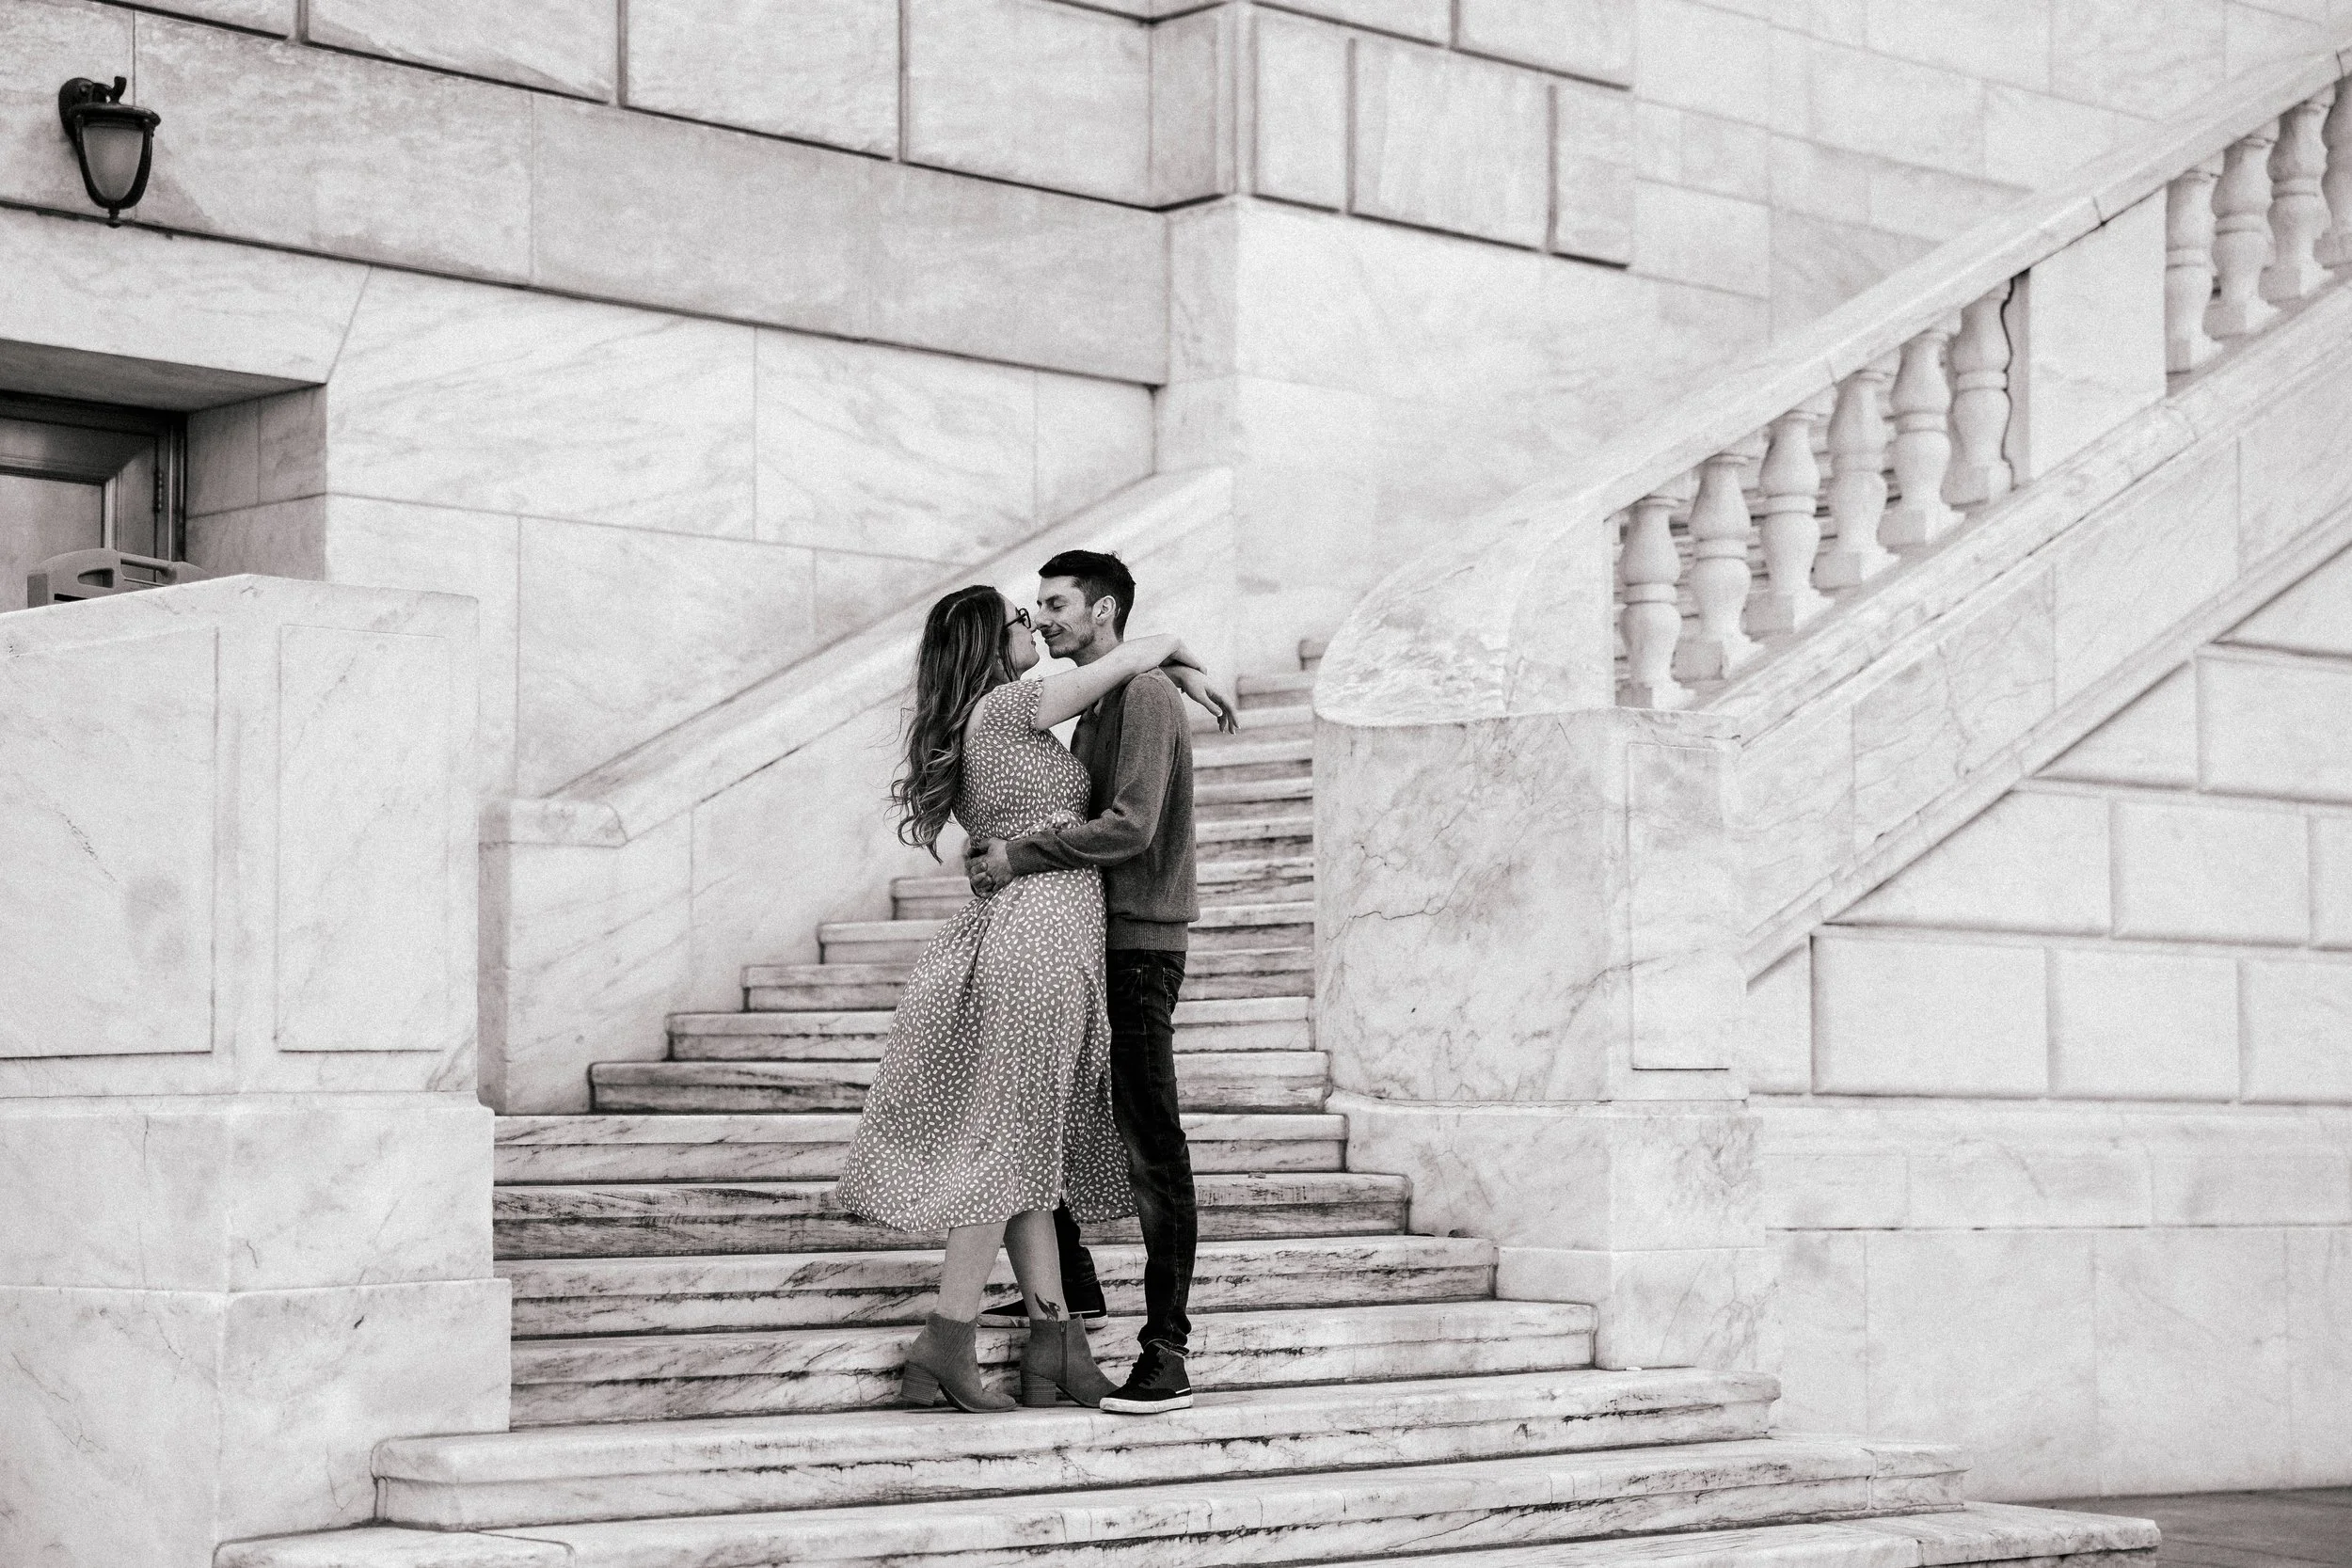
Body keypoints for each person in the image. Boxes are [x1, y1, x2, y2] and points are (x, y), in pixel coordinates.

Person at [834, 582, 1232, 1413]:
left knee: (1028, 1148)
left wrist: (1171, 668)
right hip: (1043, 933)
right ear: (991, 643)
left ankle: (1058, 1342)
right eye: (1021, 619)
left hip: (1033, 928)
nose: (1034, 626)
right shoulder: (1010, 706)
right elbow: (1129, 655)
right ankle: (947, 1336)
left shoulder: (977, 722)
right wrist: (1182, 658)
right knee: (1012, 1145)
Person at [966, 550, 1233, 1417]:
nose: (1042, 619)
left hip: (1139, 947)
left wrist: (1019, 855)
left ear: (1103, 609)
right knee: (1051, 1113)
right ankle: (1073, 1287)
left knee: (1153, 1142)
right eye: (1037, 607)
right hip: (1090, 941)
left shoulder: (1144, 696)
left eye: (1056, 604)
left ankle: (1168, 1353)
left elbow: (1130, 826)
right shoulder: (1104, 697)